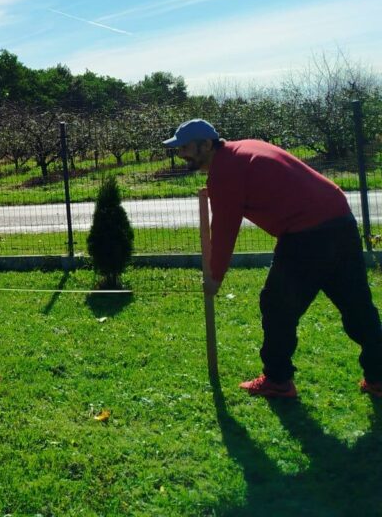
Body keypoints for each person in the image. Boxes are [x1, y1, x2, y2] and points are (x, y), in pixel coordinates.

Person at [163, 119, 382, 398]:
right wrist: (220, 191)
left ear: (206, 144)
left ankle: (277, 380)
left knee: (277, 306)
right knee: (357, 305)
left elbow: (224, 229)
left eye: (185, 147)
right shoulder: (244, 148)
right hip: (339, 220)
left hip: (306, 234)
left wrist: (214, 277)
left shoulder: (226, 172)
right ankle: (379, 378)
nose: (181, 154)